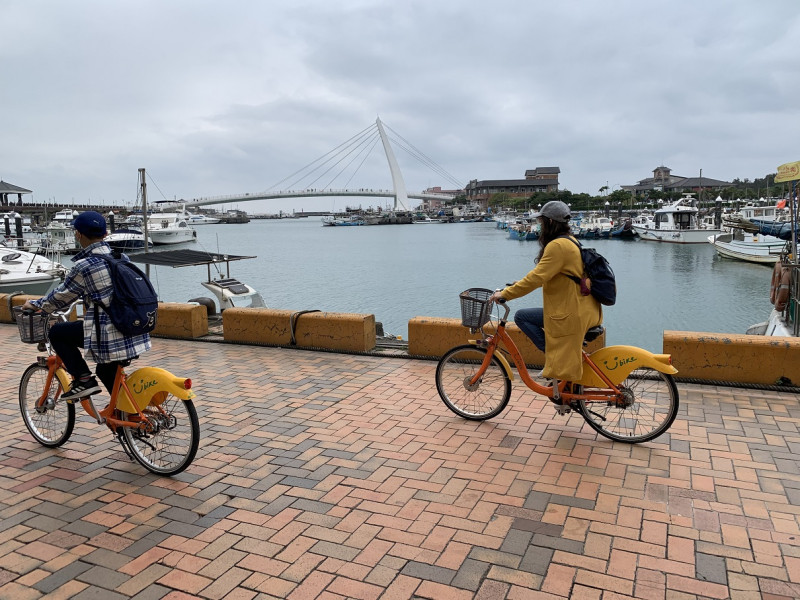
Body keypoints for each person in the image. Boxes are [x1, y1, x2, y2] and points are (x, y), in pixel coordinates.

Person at [22, 211, 151, 401]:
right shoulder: (121, 257)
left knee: (57, 332)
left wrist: (36, 304)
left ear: (78, 234)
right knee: (106, 371)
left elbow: (61, 296)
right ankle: (125, 423)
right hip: (135, 329)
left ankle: (83, 380)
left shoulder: (85, 265)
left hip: (110, 334)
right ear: (105, 234)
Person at [490, 200, 602, 385]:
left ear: (550, 222)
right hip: (584, 309)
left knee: (521, 317)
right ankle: (559, 362)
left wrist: (505, 294)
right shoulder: (571, 241)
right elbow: (558, 276)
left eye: (541, 222)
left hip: (571, 313)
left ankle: (555, 357)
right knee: (528, 317)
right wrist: (518, 284)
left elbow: (536, 278)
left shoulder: (557, 246)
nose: (539, 226)